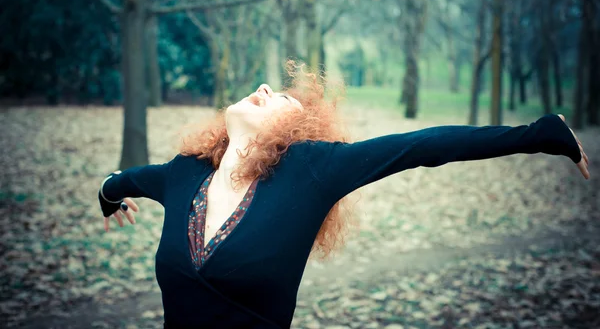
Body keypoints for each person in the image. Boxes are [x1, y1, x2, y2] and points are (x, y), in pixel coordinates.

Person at [97, 66, 589, 329]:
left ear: (289, 134)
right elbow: (125, 181)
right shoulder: (184, 173)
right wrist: (108, 195)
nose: (265, 88)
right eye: (267, 87)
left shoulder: (310, 171)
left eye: (282, 99)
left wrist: (540, 133)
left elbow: (419, 147)